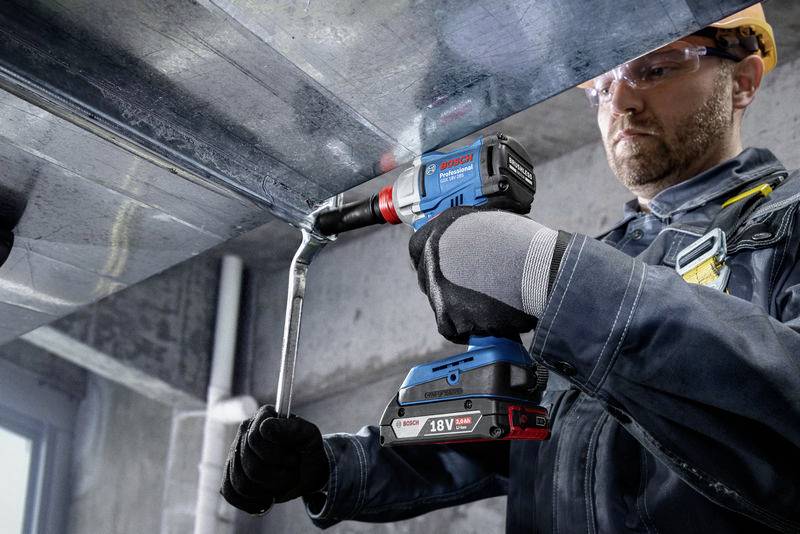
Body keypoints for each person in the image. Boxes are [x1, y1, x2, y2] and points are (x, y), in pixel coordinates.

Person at [221, 5, 800, 532]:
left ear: (743, 81)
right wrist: (334, 467)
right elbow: (516, 433)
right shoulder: (608, 260)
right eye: (600, 86)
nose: (620, 103)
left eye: (654, 69)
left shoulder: (785, 222)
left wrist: (553, 277)